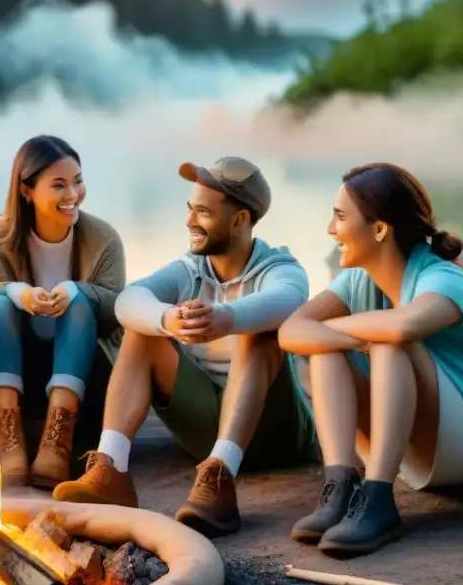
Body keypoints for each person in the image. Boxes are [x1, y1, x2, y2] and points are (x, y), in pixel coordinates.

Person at [53, 157, 319, 538]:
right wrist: (167, 319)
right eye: (190, 209)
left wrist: (226, 318)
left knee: (259, 332)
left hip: (276, 434)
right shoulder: (189, 270)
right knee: (142, 330)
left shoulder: (279, 268)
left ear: (240, 219)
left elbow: (288, 300)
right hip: (204, 429)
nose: (191, 221)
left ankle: (220, 475)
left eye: (204, 212)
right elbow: (129, 300)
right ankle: (111, 468)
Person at [277, 163, 463, 556]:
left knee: (389, 341)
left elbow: (403, 326)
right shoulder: (358, 280)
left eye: (340, 217)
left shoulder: (443, 278)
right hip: (419, 449)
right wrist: (348, 337)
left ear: (379, 229)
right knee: (329, 348)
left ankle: (378, 497)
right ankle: (340, 487)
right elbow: (290, 332)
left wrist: (350, 332)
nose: (330, 229)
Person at [0, 135, 126, 490]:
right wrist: (19, 293)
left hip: (86, 375)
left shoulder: (103, 238)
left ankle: (57, 443)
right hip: (21, 370)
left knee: (79, 302)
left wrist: (76, 291)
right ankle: (9, 442)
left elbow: (117, 310)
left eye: (78, 181)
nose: (72, 194)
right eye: (59, 185)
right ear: (27, 190)